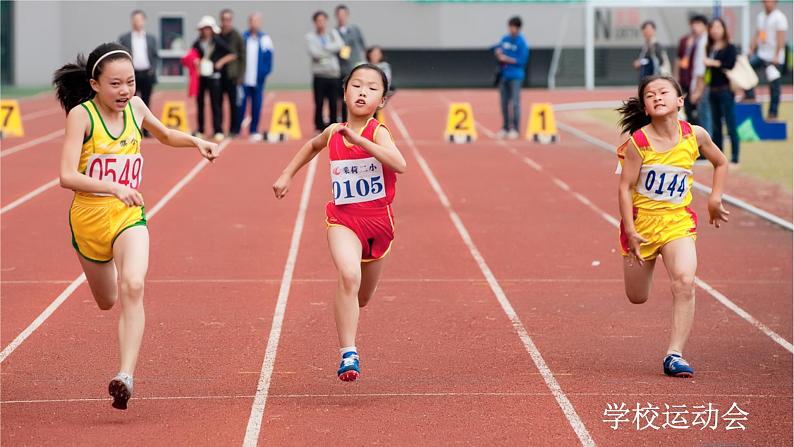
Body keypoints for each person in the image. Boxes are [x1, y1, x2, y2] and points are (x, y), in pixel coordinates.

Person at [53, 42, 218, 410]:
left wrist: (195, 141)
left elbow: (164, 135)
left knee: (134, 284)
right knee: (107, 300)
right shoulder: (82, 116)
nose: (125, 91)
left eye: (130, 83)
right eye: (115, 84)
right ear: (95, 84)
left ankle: (125, 375)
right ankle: (109, 265)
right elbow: (66, 176)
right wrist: (113, 186)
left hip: (129, 216)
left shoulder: (137, 108)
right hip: (89, 219)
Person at [272, 64, 406, 382]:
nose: (363, 92)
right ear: (345, 92)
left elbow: (399, 163)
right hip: (343, 219)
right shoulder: (334, 131)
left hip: (378, 225)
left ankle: (350, 316)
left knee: (361, 297)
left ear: (382, 101)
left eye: (372, 88)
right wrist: (286, 174)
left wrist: (361, 142)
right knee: (348, 275)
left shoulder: (378, 132)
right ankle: (349, 353)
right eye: (356, 85)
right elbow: (312, 146)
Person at [616, 75, 729, 379]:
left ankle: (674, 354)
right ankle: (637, 251)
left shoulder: (696, 135)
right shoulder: (638, 144)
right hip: (641, 225)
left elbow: (720, 162)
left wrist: (714, 199)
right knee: (637, 296)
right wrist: (630, 229)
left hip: (678, 222)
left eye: (663, 92)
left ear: (680, 101)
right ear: (645, 107)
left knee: (685, 280)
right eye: (650, 95)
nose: (657, 97)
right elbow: (625, 188)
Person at [192, 15, 236, 142]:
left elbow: (232, 54)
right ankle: (201, 129)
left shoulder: (217, 42)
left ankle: (218, 130)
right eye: (204, 28)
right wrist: (196, 61)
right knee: (200, 103)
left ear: (212, 29)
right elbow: (192, 55)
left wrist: (220, 62)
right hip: (201, 77)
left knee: (215, 103)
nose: (206, 31)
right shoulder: (197, 43)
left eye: (208, 28)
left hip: (214, 77)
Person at [745, 0, 788, 120]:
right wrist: (751, 48)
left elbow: (781, 38)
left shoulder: (780, 17)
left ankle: (773, 112)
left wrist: (776, 55)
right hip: (762, 54)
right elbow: (758, 34)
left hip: (774, 57)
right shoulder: (761, 16)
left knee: (774, 84)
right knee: (747, 68)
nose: (767, 3)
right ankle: (750, 96)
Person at [705, 18, 739, 164]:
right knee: (716, 126)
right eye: (712, 27)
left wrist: (713, 63)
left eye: (718, 27)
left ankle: (735, 157)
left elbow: (729, 65)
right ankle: (719, 158)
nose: (715, 30)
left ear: (724, 29)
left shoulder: (730, 47)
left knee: (730, 124)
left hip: (725, 91)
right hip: (712, 91)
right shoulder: (710, 48)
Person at [119, 10, 158, 137]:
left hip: (147, 74)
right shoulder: (124, 38)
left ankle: (146, 130)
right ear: (132, 21)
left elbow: (156, 55)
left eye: (140, 20)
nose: (137, 22)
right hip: (131, 75)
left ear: (144, 21)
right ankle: (130, 129)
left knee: (146, 103)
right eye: (135, 20)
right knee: (129, 103)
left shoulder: (151, 38)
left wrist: (153, 69)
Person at [306, 11, 345, 133]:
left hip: (333, 74)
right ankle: (319, 127)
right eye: (318, 20)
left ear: (326, 21)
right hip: (319, 75)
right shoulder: (310, 37)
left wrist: (324, 49)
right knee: (319, 102)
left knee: (334, 102)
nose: (320, 23)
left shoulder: (332, 33)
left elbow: (340, 45)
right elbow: (315, 53)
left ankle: (333, 126)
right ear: (314, 22)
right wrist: (330, 52)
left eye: (323, 20)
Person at [239, 12, 274, 142]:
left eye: (258, 21)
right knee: (241, 105)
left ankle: (253, 130)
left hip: (258, 80)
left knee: (256, 105)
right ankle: (237, 129)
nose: (255, 23)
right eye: (253, 21)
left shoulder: (265, 38)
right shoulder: (243, 37)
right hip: (244, 79)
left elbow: (269, 58)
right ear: (249, 22)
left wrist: (264, 73)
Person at [494, 16, 529, 139]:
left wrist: (507, 59)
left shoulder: (522, 42)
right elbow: (498, 48)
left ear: (518, 28)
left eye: (513, 27)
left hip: (516, 76)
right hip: (504, 75)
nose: (511, 29)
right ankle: (505, 127)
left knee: (515, 103)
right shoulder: (505, 38)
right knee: (503, 103)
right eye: (510, 26)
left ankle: (515, 128)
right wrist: (498, 52)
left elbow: (522, 61)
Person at [335, 4, 366, 122]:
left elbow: (362, 45)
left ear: (347, 15)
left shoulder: (355, 29)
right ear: (336, 16)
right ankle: (342, 118)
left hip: (355, 67)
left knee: (358, 93)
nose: (341, 17)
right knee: (342, 96)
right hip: (342, 69)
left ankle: (358, 116)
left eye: (343, 14)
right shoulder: (334, 32)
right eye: (339, 15)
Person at [675, 15, 708, 125]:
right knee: (688, 109)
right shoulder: (685, 41)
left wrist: (698, 88)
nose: (695, 27)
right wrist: (676, 78)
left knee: (701, 112)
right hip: (686, 80)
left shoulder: (705, 42)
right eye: (693, 24)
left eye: (698, 24)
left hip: (699, 83)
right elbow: (679, 60)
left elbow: (701, 68)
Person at [219, 9, 245, 138]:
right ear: (221, 20)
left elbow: (242, 56)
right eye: (224, 19)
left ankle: (234, 129)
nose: (226, 22)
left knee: (233, 104)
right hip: (218, 75)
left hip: (232, 75)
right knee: (217, 103)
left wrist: (241, 75)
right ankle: (218, 129)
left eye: (228, 19)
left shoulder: (236, 35)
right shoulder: (217, 34)